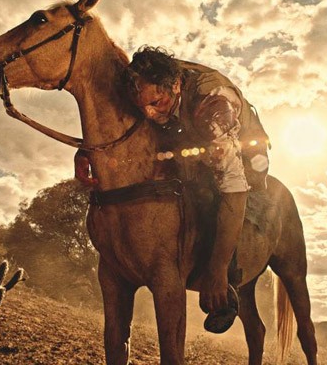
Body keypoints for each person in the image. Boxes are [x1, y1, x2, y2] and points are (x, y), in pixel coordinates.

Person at [75, 45, 270, 333]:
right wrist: (86, 152)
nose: (150, 114)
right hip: (188, 137)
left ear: (176, 85)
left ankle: (226, 282)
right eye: (143, 107)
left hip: (244, 150)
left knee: (209, 192)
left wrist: (216, 270)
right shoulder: (144, 88)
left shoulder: (214, 108)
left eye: (158, 102)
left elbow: (234, 188)